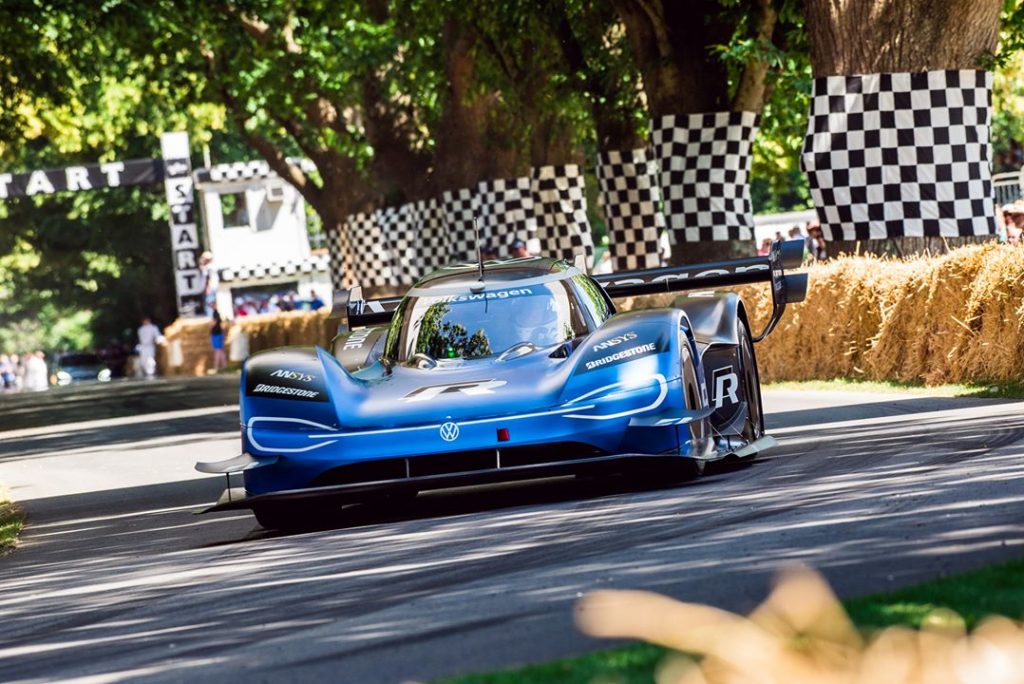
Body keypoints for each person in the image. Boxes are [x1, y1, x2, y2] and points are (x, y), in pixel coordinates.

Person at [199, 251, 219, 317]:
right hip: (213, 286)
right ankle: (213, 317)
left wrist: (207, 288)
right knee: (212, 302)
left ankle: (210, 317)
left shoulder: (208, 267)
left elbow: (208, 278)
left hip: (210, 287)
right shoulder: (212, 266)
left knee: (209, 303)